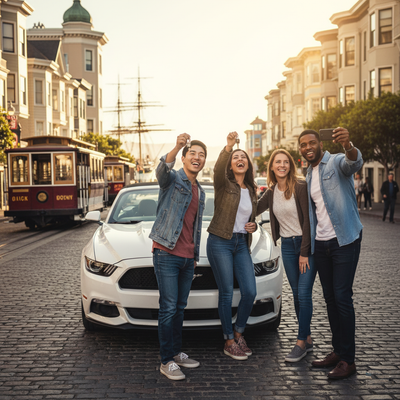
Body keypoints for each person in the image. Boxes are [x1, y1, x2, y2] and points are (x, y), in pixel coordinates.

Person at [299, 128, 363, 380]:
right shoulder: (308, 173)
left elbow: (354, 162)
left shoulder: (335, 160)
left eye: (311, 142)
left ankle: (348, 360)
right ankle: (338, 351)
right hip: (322, 245)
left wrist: (348, 144)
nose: (307, 147)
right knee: (330, 299)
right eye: (303, 144)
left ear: (320, 144)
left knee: (342, 297)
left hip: (345, 240)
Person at [149, 134, 207, 380]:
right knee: (169, 307)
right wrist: (177, 146)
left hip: (186, 257)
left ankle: (175, 353)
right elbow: (162, 170)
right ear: (184, 158)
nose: (197, 157)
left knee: (180, 308)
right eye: (192, 153)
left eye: (202, 155)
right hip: (166, 252)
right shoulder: (173, 180)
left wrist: (194, 256)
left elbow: (195, 225)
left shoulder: (200, 190)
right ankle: (165, 361)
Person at [257, 149, 316, 363]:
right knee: (297, 293)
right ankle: (307, 338)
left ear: (290, 165)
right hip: (287, 247)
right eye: (277, 162)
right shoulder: (271, 192)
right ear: (272, 166)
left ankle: (300, 342)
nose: (282, 165)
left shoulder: (300, 186)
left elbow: (309, 221)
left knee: (303, 292)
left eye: (285, 162)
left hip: (304, 246)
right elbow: (254, 208)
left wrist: (305, 253)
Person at [207, 131, 258, 361]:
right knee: (226, 293)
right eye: (235, 157)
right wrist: (228, 146)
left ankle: (239, 333)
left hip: (240, 244)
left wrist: (253, 226)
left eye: (243, 157)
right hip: (220, 241)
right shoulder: (223, 183)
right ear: (231, 164)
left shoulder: (252, 190)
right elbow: (218, 168)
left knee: (250, 291)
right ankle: (228, 340)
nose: (240, 159)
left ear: (247, 164)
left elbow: (250, 218)